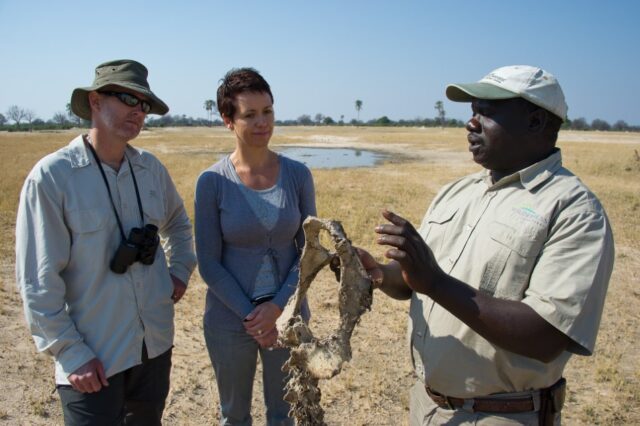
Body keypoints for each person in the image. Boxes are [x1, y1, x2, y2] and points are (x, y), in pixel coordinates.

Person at [358, 65, 614, 425]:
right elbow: (418, 282)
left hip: (503, 415)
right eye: (472, 111)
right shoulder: (458, 192)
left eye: (487, 112)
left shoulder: (573, 210)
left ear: (536, 122)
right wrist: (380, 273)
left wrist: (435, 282)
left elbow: (545, 336)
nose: (471, 123)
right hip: (427, 407)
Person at [16, 59, 197, 425]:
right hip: (94, 356)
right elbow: (38, 281)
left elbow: (178, 224)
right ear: (95, 101)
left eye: (144, 105)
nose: (138, 111)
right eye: (127, 99)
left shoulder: (150, 169)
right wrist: (71, 353)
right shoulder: (53, 178)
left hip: (154, 345)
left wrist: (177, 271)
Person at [195, 67, 316, 425]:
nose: (262, 122)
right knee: (234, 416)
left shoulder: (297, 175)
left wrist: (277, 309)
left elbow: (308, 252)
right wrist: (254, 317)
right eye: (249, 115)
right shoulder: (212, 182)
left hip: (288, 317)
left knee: (286, 413)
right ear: (227, 121)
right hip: (230, 321)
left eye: (268, 112)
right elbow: (209, 264)